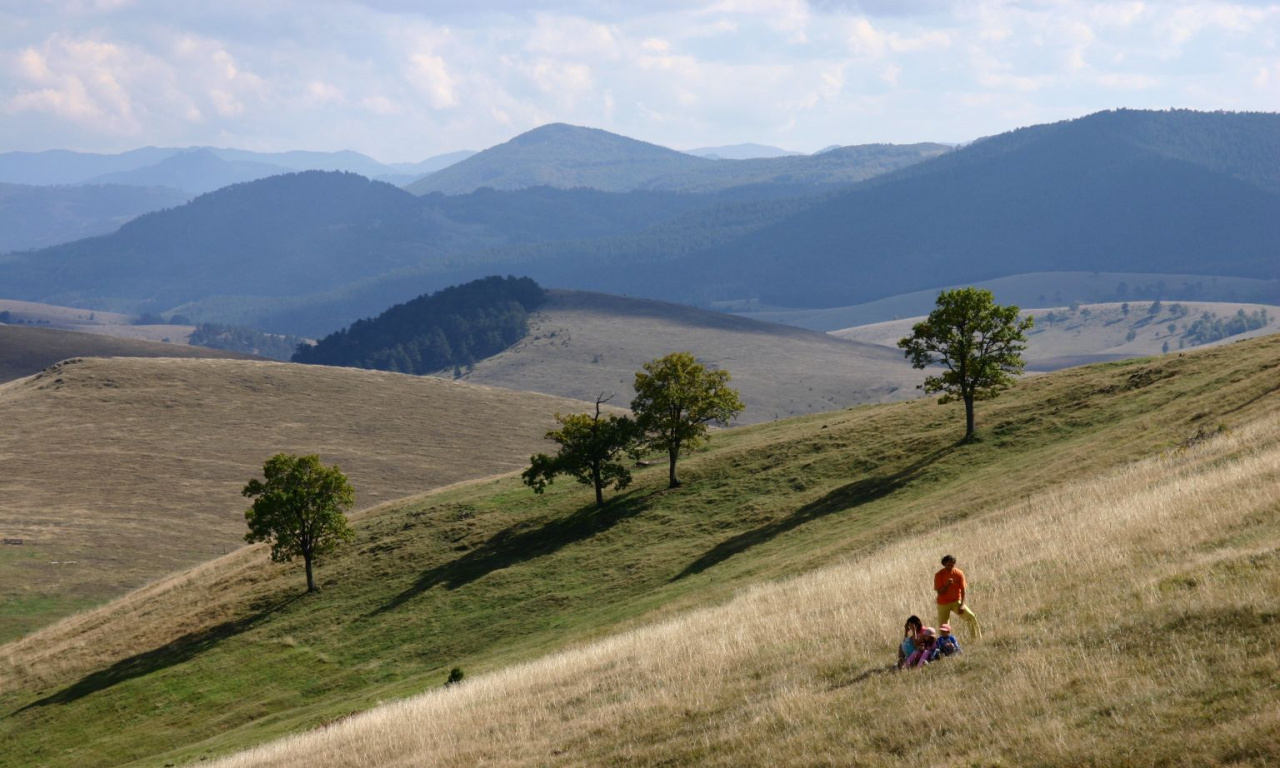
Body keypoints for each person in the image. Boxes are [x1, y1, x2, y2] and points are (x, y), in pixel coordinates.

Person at [934, 555, 982, 638]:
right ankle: (944, 645)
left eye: (952, 564)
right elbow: (940, 592)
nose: (950, 566)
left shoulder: (959, 573)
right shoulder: (939, 575)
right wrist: (947, 585)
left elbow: (963, 590)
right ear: (944, 564)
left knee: (971, 617)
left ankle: (976, 639)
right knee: (943, 628)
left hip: (956, 602)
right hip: (943, 604)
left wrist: (962, 605)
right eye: (948, 564)